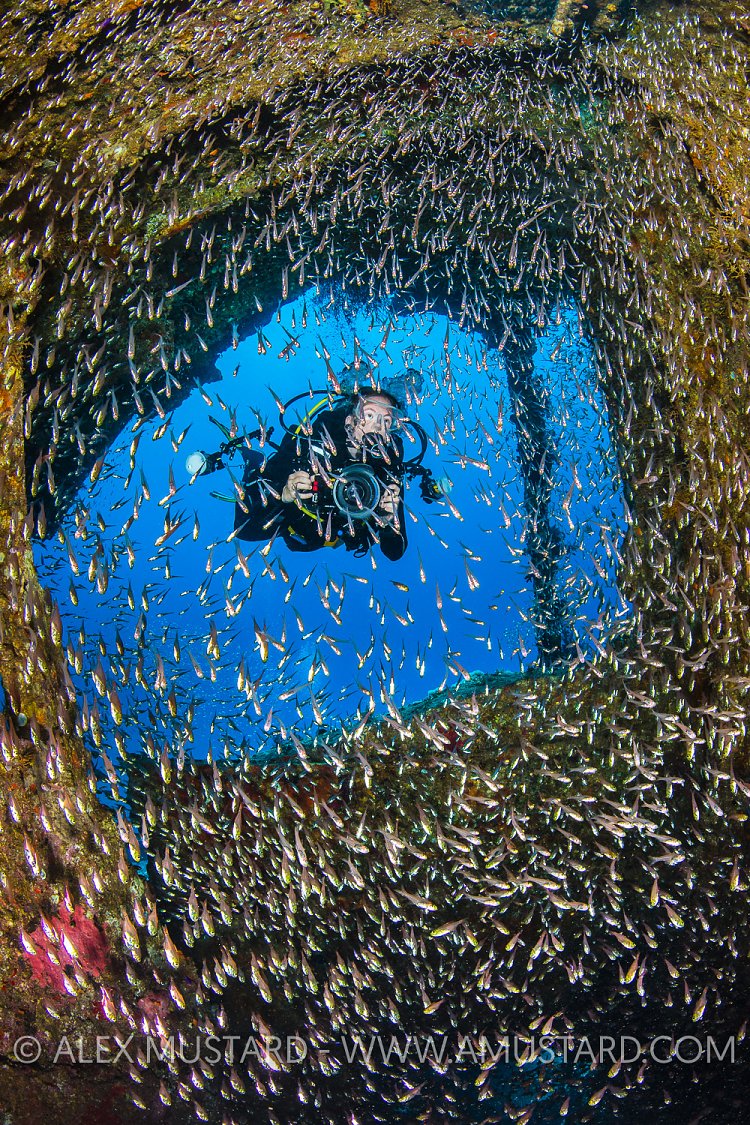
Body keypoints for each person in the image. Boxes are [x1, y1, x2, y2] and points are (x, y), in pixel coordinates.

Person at [233, 388, 407, 560]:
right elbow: (244, 530)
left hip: (334, 536)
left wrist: (388, 521)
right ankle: (253, 465)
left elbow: (394, 552)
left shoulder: (387, 473)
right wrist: (282, 496)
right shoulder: (308, 449)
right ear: (349, 420)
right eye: (369, 415)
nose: (378, 425)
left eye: (386, 421)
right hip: (296, 525)